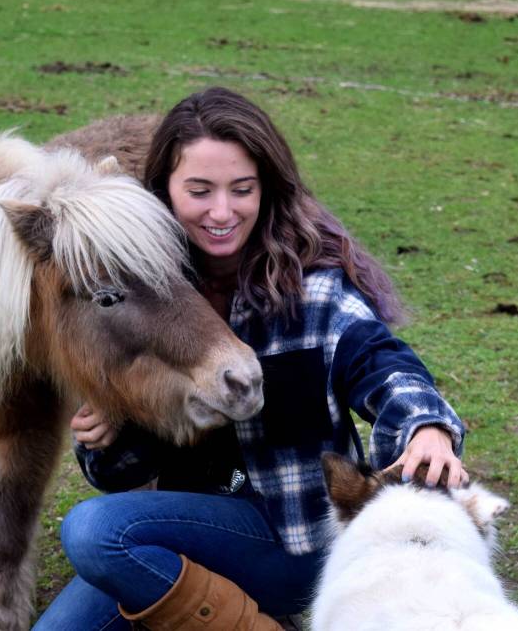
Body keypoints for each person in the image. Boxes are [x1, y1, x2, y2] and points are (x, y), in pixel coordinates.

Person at [33, 87, 467, 630]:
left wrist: (427, 426)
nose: (222, 212)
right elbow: (115, 475)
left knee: (95, 532)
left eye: (242, 189)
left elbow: (381, 362)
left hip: (292, 540)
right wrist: (112, 430)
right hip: (189, 532)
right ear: (164, 190)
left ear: (266, 190)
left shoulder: (311, 291)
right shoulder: (144, 289)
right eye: (199, 190)